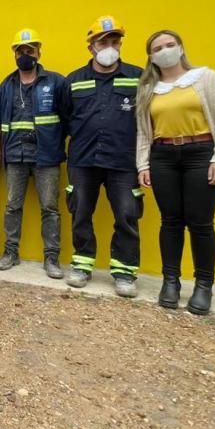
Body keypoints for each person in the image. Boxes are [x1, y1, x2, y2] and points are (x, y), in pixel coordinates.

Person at [136, 30, 215, 315]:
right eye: (158, 48)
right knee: (170, 222)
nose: (165, 50)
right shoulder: (148, 89)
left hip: (201, 152)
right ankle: (171, 282)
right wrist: (143, 164)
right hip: (163, 155)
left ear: (180, 48)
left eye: (170, 45)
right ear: (151, 56)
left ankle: (204, 285)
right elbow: (144, 132)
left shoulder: (206, 79)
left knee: (201, 223)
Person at [63, 16, 145, 297]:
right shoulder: (73, 81)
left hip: (123, 161)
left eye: (114, 41)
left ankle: (124, 272)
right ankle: (82, 265)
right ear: (91, 47)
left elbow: (149, 120)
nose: (110, 46)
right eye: (103, 42)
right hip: (83, 160)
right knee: (81, 213)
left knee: (126, 215)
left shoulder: (138, 77)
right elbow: (64, 119)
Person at [0, 29, 68, 277]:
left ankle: (52, 258)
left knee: (50, 207)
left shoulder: (55, 82)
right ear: (15, 54)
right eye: (20, 51)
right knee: (12, 206)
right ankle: (10, 253)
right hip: (15, 154)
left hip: (46, 155)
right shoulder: (6, 85)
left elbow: (67, 118)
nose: (25, 55)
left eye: (29, 50)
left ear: (38, 52)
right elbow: (0, 120)